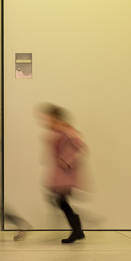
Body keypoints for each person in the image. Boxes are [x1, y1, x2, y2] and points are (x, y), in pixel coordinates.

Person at [38, 104, 87, 244]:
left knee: (60, 200)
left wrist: (66, 160)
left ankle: (78, 229)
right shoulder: (59, 131)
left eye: (49, 119)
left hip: (65, 175)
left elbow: (80, 145)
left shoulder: (67, 130)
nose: (47, 122)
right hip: (60, 174)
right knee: (59, 200)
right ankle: (78, 230)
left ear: (56, 118)